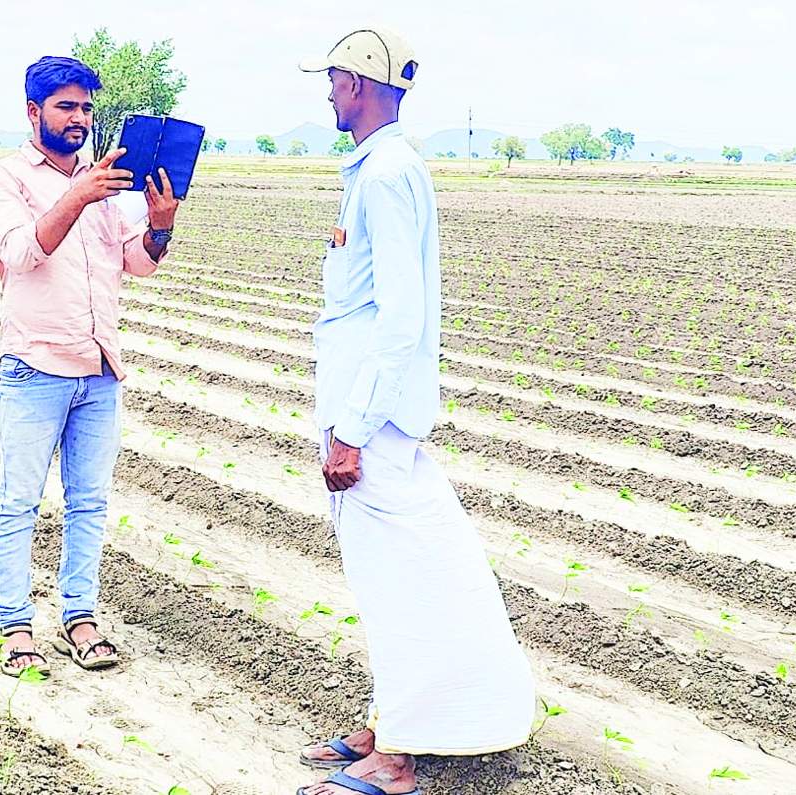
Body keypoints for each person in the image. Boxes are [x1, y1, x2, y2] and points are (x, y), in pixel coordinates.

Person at [293, 27, 537, 795]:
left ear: (358, 84)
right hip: (362, 413)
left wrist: (353, 431)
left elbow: (400, 317)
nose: (326, 91)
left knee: (405, 579)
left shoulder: (388, 173)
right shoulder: (377, 168)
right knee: (387, 575)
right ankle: (394, 716)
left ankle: (395, 759)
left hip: (373, 423)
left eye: (332, 80)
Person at [0, 56, 180, 677]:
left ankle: (80, 616)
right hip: (35, 367)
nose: (80, 119)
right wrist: (78, 193)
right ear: (34, 112)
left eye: (87, 108)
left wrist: (161, 230)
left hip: (99, 368)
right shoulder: (5, 179)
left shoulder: (108, 186)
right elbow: (23, 252)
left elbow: (136, 264)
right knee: (19, 502)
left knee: (88, 502)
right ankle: (14, 625)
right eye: (67, 107)